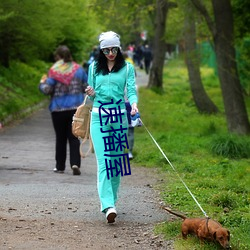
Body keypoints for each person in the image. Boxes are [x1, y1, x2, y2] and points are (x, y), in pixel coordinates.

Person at [85, 31, 138, 223]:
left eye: (113, 49)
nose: (110, 53)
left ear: (119, 48)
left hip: (118, 117)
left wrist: (133, 104)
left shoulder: (127, 68)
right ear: (101, 50)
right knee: (104, 161)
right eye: (106, 50)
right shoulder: (94, 68)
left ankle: (113, 201)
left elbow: (131, 90)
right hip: (99, 117)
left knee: (116, 162)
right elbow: (91, 97)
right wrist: (90, 92)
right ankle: (107, 205)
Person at [39, 45, 88, 175]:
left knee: (60, 138)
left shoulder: (54, 71)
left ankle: (60, 166)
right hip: (75, 109)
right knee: (74, 137)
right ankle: (75, 163)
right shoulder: (79, 70)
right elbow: (86, 87)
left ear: (58, 57)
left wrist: (42, 83)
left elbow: (47, 90)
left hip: (58, 109)